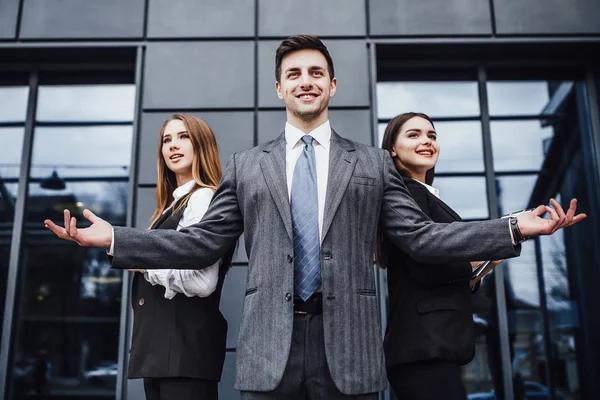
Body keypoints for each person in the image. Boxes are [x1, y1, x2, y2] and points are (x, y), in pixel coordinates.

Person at [44, 35, 585, 400]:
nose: (305, 80)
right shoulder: (246, 165)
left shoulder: (372, 162)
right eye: (293, 73)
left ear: (332, 86)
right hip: (267, 350)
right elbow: (200, 243)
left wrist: (513, 226)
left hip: (348, 349)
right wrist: (115, 237)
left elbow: (420, 237)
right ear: (279, 88)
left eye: (316, 73)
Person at [377, 112, 500, 400]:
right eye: (414, 134)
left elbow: (429, 268)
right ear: (392, 148)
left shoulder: (425, 196)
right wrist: (483, 252)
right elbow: (426, 257)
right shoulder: (407, 195)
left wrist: (479, 268)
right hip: (422, 350)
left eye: (431, 135)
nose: (426, 141)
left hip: (430, 349)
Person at [125, 114, 232, 400]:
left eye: (184, 136)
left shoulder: (203, 197)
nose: (174, 145)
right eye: (167, 139)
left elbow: (202, 281)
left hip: (185, 354)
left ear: (202, 144)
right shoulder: (169, 206)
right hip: (163, 354)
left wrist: (143, 266)